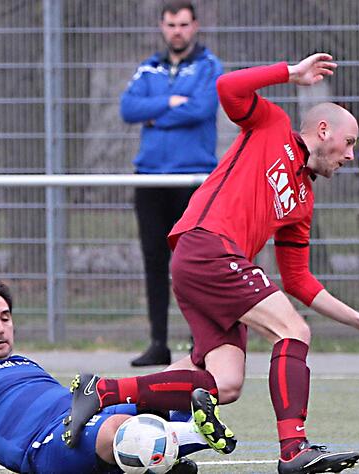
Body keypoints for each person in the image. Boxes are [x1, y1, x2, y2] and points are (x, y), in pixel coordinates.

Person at [64, 53, 359, 474]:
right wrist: (289, 73)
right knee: (293, 330)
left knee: (224, 384)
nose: (350, 155)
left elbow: (298, 279)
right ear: (323, 130)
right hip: (208, 247)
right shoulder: (272, 125)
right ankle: (293, 448)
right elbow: (228, 87)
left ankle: (102, 391)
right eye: (349, 142)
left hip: (212, 265)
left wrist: (355, 318)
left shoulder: (303, 199)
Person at [0, 278, 212, 474]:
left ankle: (165, 450)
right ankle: (187, 440)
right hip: (47, 447)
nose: (0, 328)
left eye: (5, 317)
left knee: (185, 372)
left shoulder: (25, 362)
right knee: (122, 430)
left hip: (85, 419)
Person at [121, 0, 223, 367]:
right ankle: (158, 342)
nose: (177, 31)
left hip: (192, 179)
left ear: (194, 25)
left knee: (194, 263)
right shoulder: (148, 67)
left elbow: (202, 109)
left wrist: (155, 114)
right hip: (150, 178)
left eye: (183, 24)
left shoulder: (209, 66)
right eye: (170, 24)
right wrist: (169, 102)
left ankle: (201, 343)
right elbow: (128, 108)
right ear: (162, 27)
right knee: (154, 261)